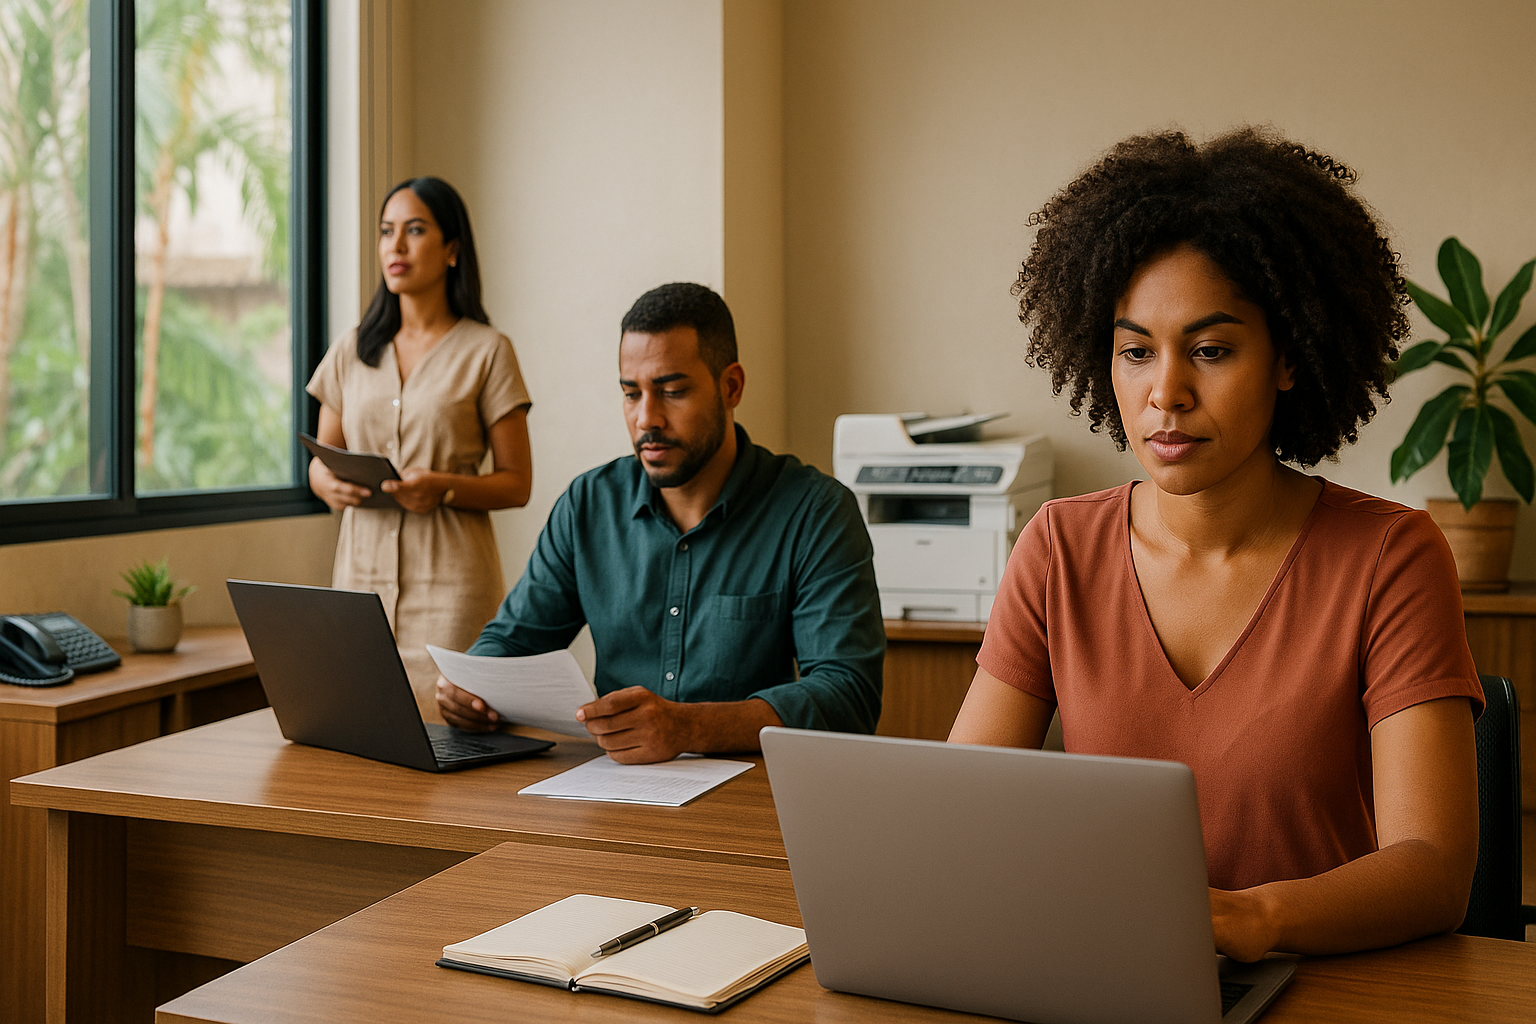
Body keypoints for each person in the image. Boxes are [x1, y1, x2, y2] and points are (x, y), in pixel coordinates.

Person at [948, 128, 1484, 962]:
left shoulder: (1392, 556)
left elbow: (1434, 871)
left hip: (1326, 986)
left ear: (1288, 359)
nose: (1166, 392)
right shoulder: (1057, 548)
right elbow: (963, 809)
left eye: (1211, 350)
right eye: (1135, 352)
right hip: (1112, 975)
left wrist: (1249, 922)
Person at [436, 282, 884, 763]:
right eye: (631, 394)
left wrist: (689, 728)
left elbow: (848, 696)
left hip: (754, 797)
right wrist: (471, 687)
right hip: (610, 789)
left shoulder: (815, 511)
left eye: (672, 392)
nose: (647, 419)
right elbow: (513, 639)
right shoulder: (588, 505)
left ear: (730, 387)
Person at [307, 177, 534, 717]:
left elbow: (517, 484)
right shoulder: (353, 349)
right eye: (387, 232)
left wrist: (444, 488)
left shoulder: (488, 351)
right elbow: (322, 458)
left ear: (452, 249)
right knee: (360, 731)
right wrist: (327, 482)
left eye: (414, 230)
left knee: (452, 738)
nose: (396, 246)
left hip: (453, 590)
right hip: (359, 584)